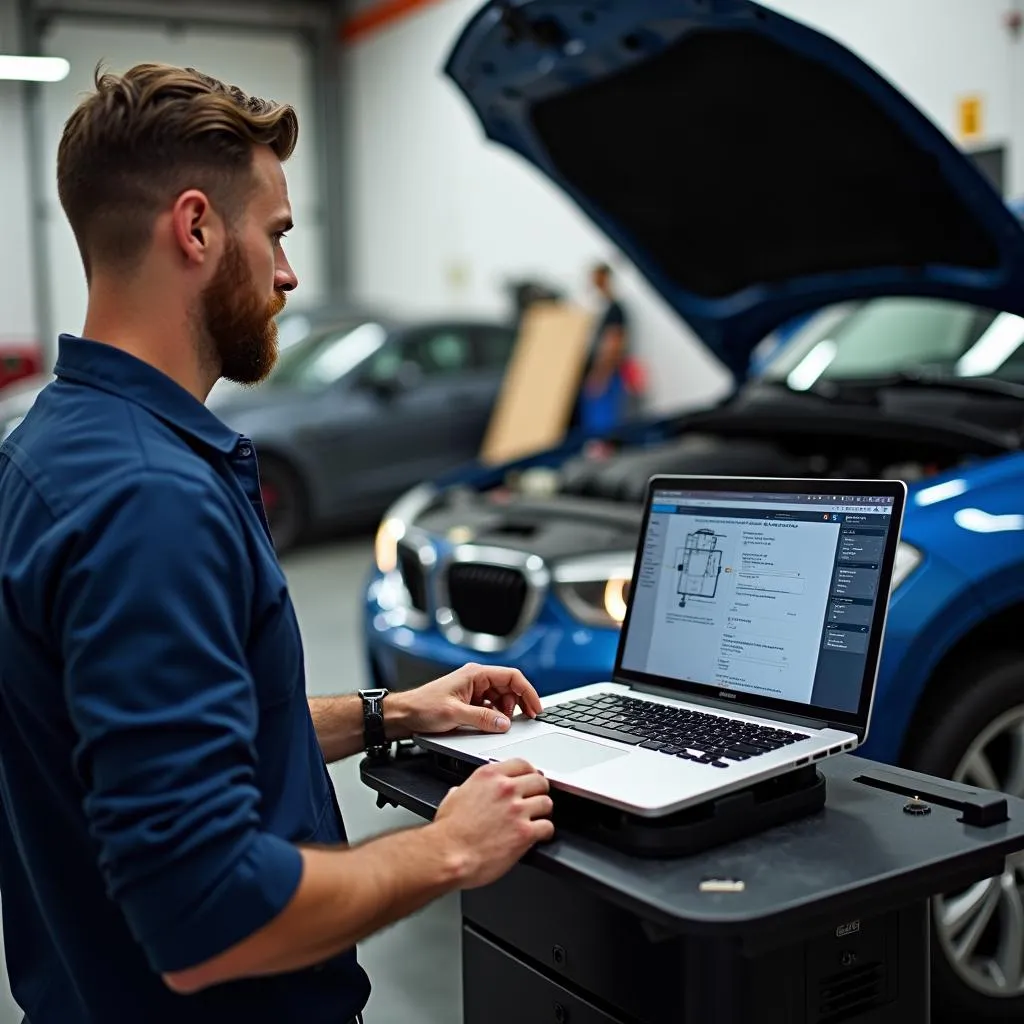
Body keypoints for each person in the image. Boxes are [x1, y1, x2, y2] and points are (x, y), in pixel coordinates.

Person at [0, 64, 554, 1024]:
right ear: (199, 228)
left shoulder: (51, 449)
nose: (290, 274)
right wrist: (451, 847)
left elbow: (185, 728)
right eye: (280, 234)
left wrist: (394, 714)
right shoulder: (149, 500)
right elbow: (206, 914)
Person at [577, 261, 644, 436]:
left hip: (609, 375)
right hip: (608, 374)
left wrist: (600, 376)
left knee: (604, 429)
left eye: (596, 278)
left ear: (605, 279)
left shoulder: (615, 309)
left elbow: (612, 346)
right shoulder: (604, 309)